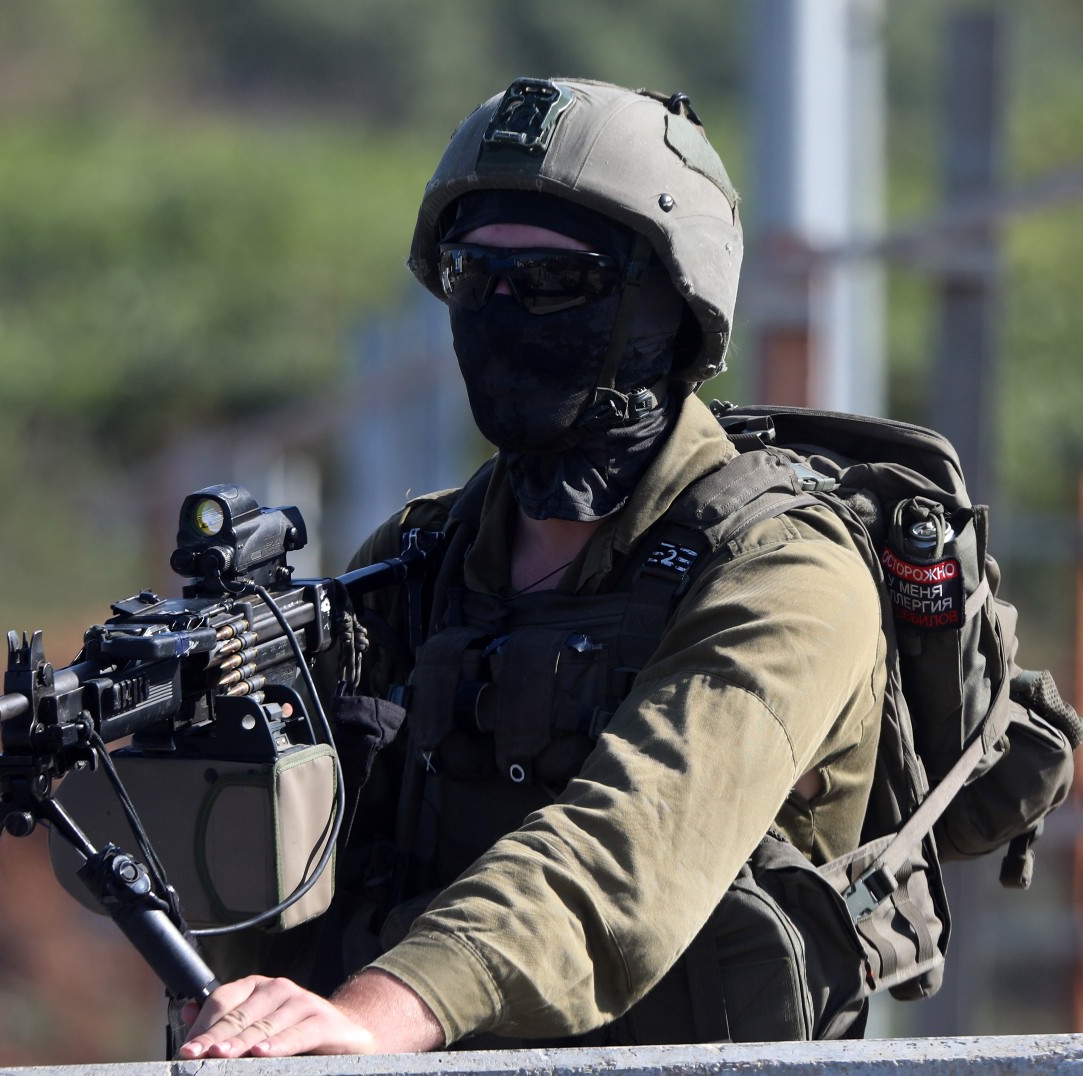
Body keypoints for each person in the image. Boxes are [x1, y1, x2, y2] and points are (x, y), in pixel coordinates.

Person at [177, 76, 886, 1059]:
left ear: (666, 306)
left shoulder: (785, 574)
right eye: (473, 276)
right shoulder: (419, 560)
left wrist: (375, 1014)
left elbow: (625, 854)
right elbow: (288, 894)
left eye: (554, 282)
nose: (504, 312)